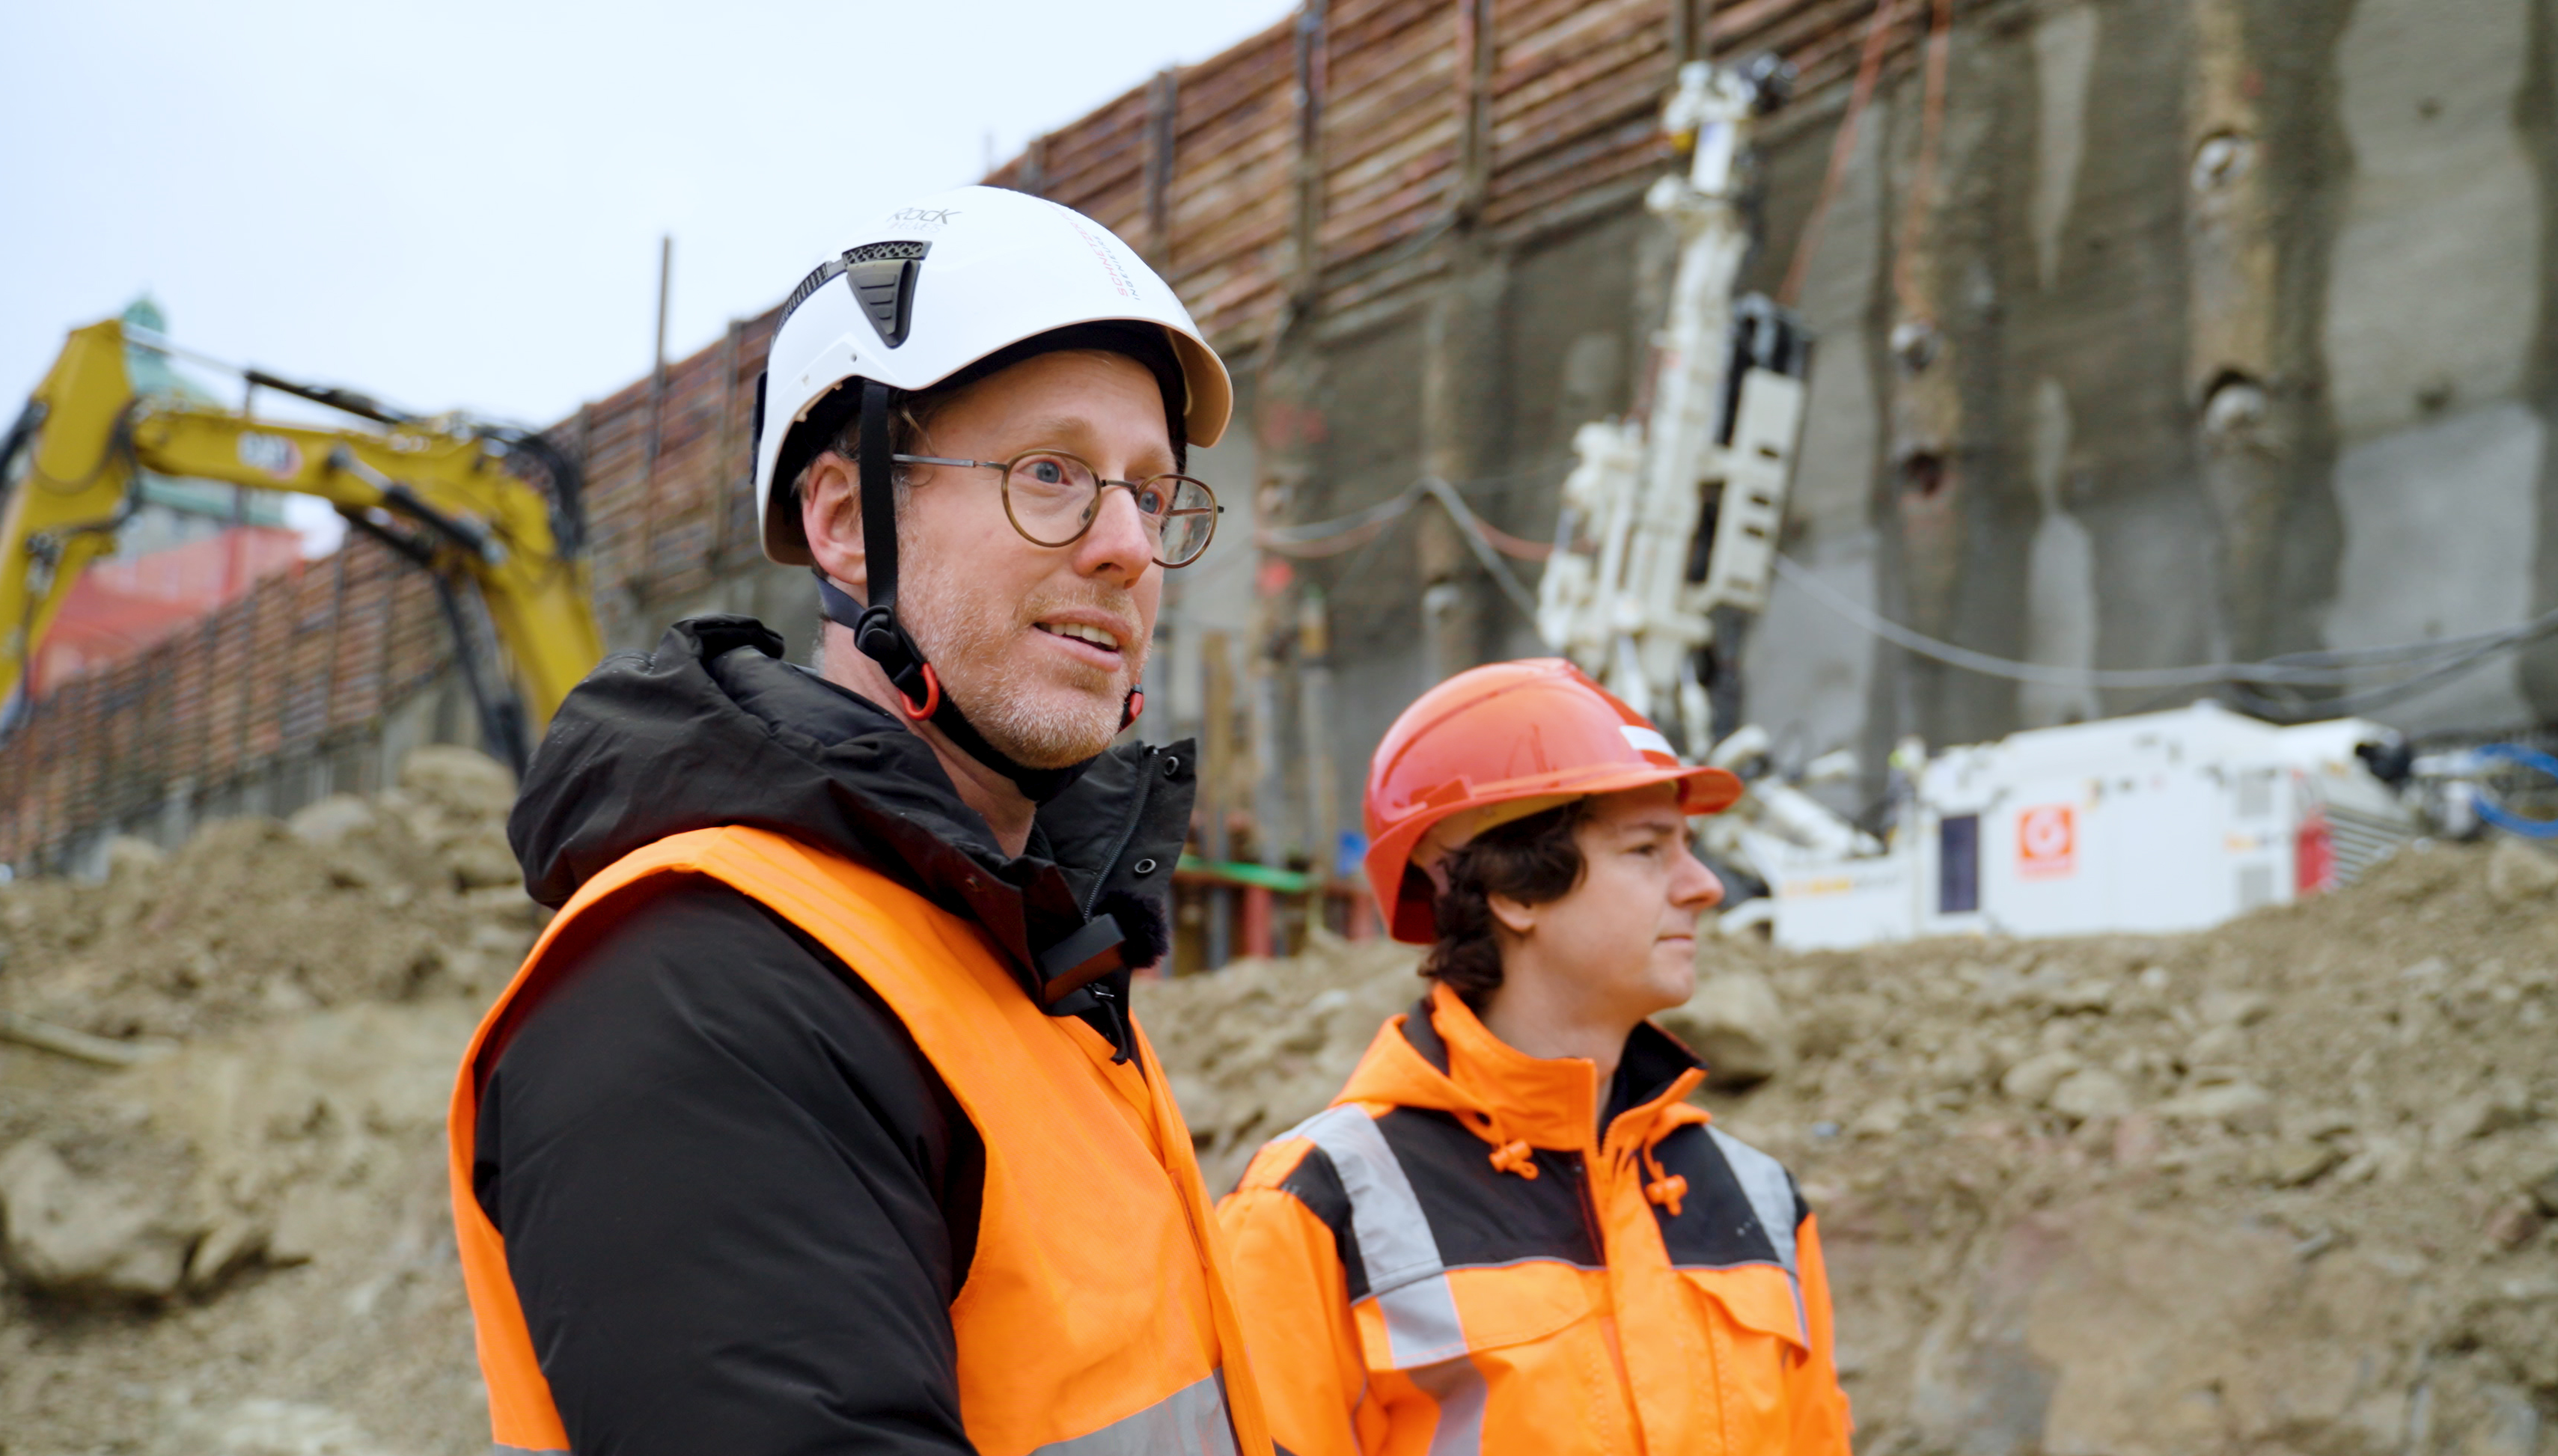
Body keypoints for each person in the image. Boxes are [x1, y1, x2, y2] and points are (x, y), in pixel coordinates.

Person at [443, 185, 1272, 1456]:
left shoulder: (1022, 953)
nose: (1126, 547)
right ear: (842, 523)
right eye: (1051, 474)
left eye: (1152, 495)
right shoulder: (704, 991)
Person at [1216, 659, 1854, 1456]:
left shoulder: (1759, 1200)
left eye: (1687, 847)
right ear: (1515, 888)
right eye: (1647, 849)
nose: (1704, 886)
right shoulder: (1314, 1208)